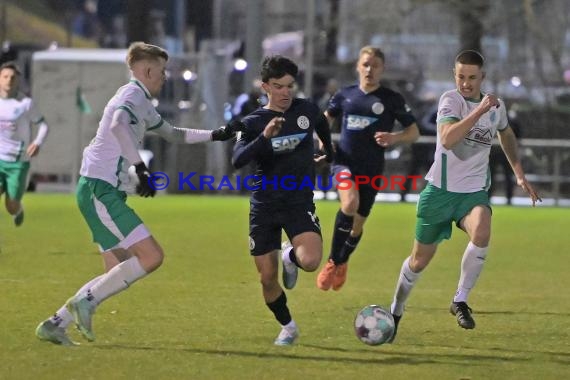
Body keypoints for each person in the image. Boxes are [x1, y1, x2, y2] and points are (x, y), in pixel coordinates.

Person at [35, 42, 241, 346]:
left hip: (96, 187)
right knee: (151, 256)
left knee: (117, 270)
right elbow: (118, 125)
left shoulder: (141, 100)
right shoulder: (131, 95)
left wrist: (217, 134)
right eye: (162, 71)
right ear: (147, 70)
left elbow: (173, 133)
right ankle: (83, 304)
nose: (165, 77)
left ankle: (55, 324)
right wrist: (141, 169)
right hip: (100, 189)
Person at [388, 50, 541, 343]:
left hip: (472, 193)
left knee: (482, 230)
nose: (466, 83)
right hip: (439, 194)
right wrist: (479, 110)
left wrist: (519, 172)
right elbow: (447, 138)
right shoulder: (451, 100)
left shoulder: (496, 107)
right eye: (461, 76)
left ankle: (460, 299)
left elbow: (506, 133)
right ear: (454, 76)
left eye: (472, 77)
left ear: (482, 77)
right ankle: (396, 310)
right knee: (418, 262)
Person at [232, 55, 334, 345]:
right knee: (267, 279)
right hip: (264, 206)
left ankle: (291, 255)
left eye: (290, 85)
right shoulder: (252, 122)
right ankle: (288, 327)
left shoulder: (306, 110)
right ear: (265, 86)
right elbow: (238, 159)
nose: (286, 92)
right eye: (279, 86)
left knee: (311, 261)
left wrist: (329, 153)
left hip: (297, 202)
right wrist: (264, 137)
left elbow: (322, 125)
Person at [316, 46, 419, 291]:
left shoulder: (391, 99)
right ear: (358, 67)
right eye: (365, 64)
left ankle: (343, 261)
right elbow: (325, 120)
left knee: (357, 225)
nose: (369, 69)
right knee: (349, 204)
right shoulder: (345, 95)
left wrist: (394, 138)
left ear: (382, 69)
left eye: (375, 65)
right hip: (344, 163)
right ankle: (332, 262)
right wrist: (324, 142)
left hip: (372, 169)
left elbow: (414, 132)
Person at [0, 61, 49, 227]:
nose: (9, 80)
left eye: (13, 77)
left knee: (10, 205)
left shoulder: (25, 104)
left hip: (18, 163)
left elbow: (43, 124)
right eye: (5, 76)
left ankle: (18, 210)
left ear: (18, 80)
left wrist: (37, 142)